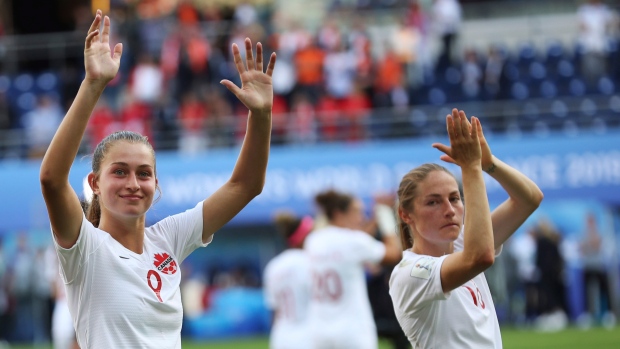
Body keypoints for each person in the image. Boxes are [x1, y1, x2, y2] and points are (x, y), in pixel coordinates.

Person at [39, 10, 276, 348]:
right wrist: (93, 85)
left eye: (144, 174)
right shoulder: (84, 248)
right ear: (94, 183)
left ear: (156, 185)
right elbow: (51, 179)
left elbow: (246, 184)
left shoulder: (167, 240)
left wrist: (261, 115)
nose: (133, 183)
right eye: (119, 171)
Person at [389, 109, 543, 348]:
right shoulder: (410, 273)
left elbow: (529, 199)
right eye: (433, 202)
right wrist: (471, 168)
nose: (449, 209)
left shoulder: (461, 244)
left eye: (454, 198)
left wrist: (489, 164)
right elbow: (479, 257)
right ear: (405, 214)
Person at [304, 189, 402, 349]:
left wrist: (374, 220)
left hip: (319, 331)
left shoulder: (313, 240)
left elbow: (353, 244)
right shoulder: (355, 242)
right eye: (356, 212)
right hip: (353, 331)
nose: (362, 218)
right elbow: (393, 252)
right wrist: (384, 214)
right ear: (339, 213)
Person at [263, 212, 314, 349]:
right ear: (303, 237)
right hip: (309, 337)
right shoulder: (310, 262)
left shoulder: (273, 266)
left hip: (280, 337)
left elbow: (274, 310)